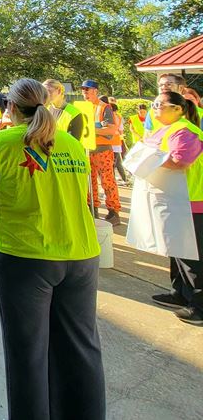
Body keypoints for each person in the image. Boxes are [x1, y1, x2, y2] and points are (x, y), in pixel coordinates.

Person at [0, 78, 105, 420]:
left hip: (24, 257)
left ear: (11, 108)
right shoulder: (72, 145)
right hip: (81, 255)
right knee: (82, 350)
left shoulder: (1, 143)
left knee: (27, 354)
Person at [128, 91, 203, 325]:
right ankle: (180, 293)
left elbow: (181, 160)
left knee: (192, 256)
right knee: (176, 250)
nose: (155, 108)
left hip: (190, 200)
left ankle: (199, 305)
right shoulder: (165, 128)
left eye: (160, 105)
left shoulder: (185, 131)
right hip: (172, 198)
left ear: (178, 109)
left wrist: (148, 159)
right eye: (155, 104)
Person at [81, 79, 121, 225]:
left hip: (103, 151)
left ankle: (113, 211)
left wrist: (91, 129)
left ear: (95, 91)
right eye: (83, 89)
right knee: (89, 182)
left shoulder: (104, 108)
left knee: (107, 181)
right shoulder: (82, 108)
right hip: (87, 150)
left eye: (87, 89)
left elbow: (111, 129)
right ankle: (93, 210)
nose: (84, 92)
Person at [110, 103, 129, 184]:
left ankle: (112, 180)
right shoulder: (119, 117)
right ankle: (125, 179)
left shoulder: (109, 117)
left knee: (112, 164)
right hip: (117, 142)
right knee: (117, 163)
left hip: (110, 142)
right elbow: (121, 130)